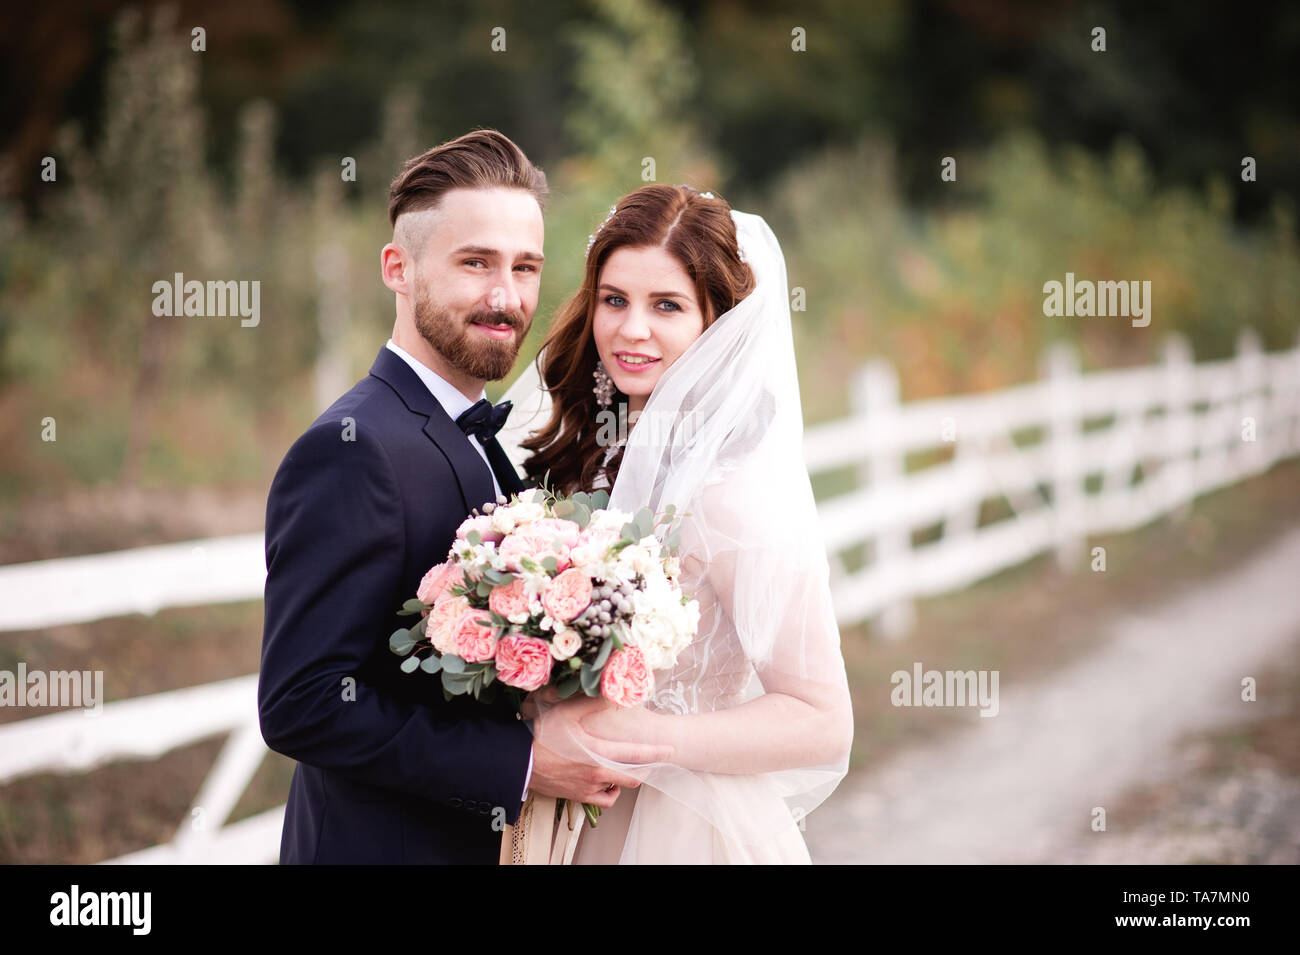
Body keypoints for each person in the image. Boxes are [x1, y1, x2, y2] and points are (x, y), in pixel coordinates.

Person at [257, 130, 667, 864]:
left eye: (525, 266)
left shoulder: (487, 436)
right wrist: (524, 765)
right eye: (475, 262)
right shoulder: (352, 450)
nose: (505, 296)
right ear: (399, 268)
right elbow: (302, 702)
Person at [496, 184, 854, 863]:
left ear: (716, 321)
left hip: (688, 827)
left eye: (667, 305)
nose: (632, 330)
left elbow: (822, 720)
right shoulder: (591, 450)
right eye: (615, 300)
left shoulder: (734, 492)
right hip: (566, 818)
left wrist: (639, 739)